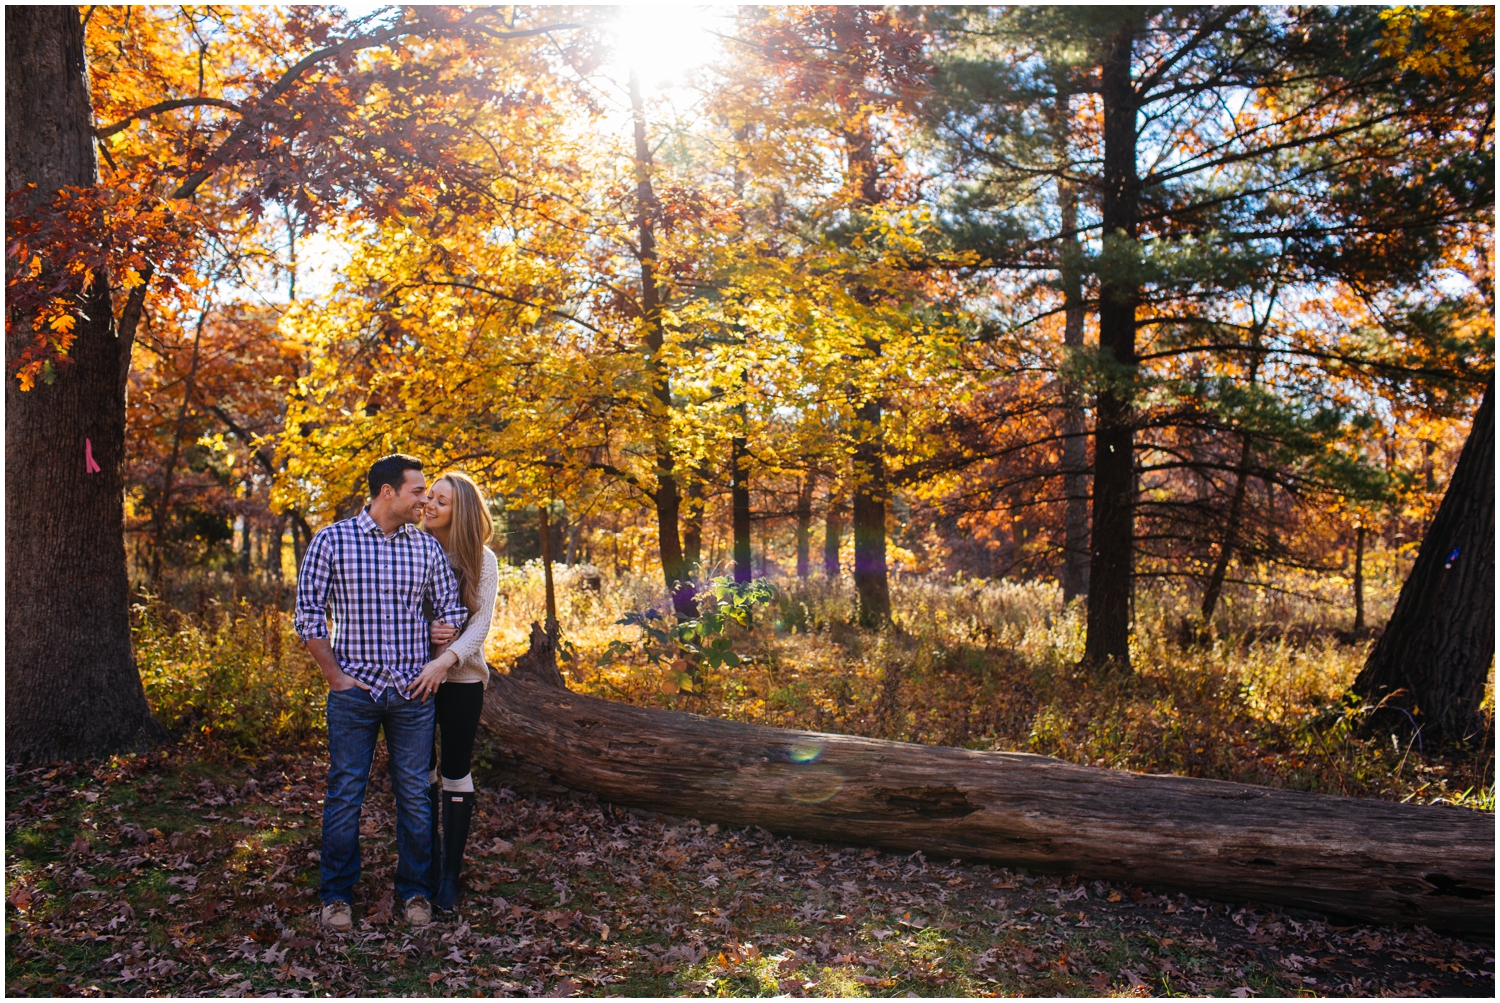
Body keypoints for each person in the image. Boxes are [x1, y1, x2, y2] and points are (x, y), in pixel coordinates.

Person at [294, 454, 467, 932]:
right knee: (345, 791)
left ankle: (414, 892)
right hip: (355, 691)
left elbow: (451, 606)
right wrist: (334, 677)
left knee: (414, 794)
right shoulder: (333, 540)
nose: (425, 501)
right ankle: (336, 897)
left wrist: (444, 630)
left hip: (413, 692)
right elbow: (308, 615)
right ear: (387, 492)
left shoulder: (426, 548)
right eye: (417, 491)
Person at [413, 471, 500, 912]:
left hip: (460, 677)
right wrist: (425, 633)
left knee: (455, 769)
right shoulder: (411, 547)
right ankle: (424, 865)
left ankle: (450, 875)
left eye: (441, 501)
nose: (429, 504)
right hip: (415, 675)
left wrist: (446, 660)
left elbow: (481, 626)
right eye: (429, 497)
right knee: (420, 770)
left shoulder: (482, 560)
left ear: (459, 511)